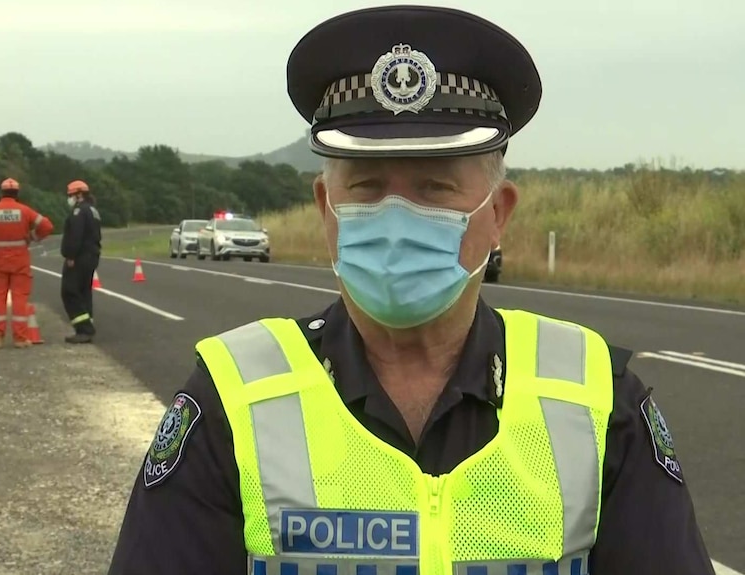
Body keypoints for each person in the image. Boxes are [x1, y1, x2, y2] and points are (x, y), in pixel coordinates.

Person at [107, 6, 715, 575]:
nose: (397, 217)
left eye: (435, 187)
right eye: (367, 187)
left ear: (497, 213)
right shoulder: (230, 401)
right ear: (326, 209)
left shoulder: (600, 402)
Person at [0, 177, 53, 348]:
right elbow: (47, 226)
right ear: (17, 193)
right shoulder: (24, 210)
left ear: (1, 193)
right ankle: (20, 339)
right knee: (19, 298)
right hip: (20, 261)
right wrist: (32, 237)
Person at [60, 179, 101, 344]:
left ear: (78, 195)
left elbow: (75, 236)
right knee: (84, 292)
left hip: (79, 257)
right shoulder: (92, 210)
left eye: (70, 195)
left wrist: (70, 255)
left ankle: (84, 329)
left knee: (70, 292)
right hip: (91, 256)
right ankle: (87, 325)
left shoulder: (79, 212)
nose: (69, 198)